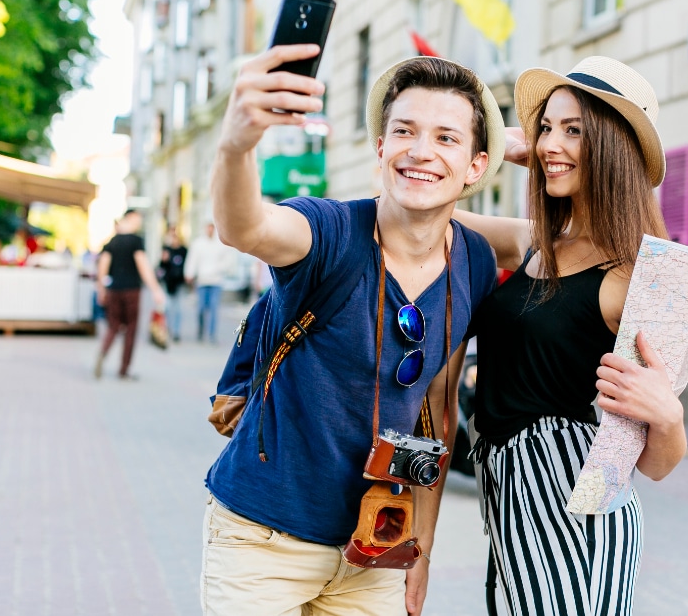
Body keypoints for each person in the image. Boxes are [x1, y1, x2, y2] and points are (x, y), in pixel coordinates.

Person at [200, 46, 505, 616]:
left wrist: (424, 548)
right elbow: (246, 226)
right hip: (263, 541)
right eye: (405, 131)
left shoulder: (474, 263)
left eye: (446, 138)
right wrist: (237, 142)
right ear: (381, 147)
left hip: (375, 548)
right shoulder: (330, 232)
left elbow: (437, 412)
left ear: (476, 166)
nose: (421, 151)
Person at [454, 56, 687, 615]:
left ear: (612, 146)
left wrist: (669, 415)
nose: (551, 143)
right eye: (546, 128)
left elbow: (656, 463)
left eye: (574, 130)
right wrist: (494, 156)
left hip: (575, 500)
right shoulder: (536, 243)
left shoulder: (636, 277)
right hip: (508, 492)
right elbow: (420, 211)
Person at [93, 209, 166, 380]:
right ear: (130, 218)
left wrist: (101, 289)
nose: (139, 223)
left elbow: (102, 266)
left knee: (113, 326)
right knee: (131, 329)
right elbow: (143, 266)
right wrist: (155, 289)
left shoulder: (112, 242)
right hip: (132, 290)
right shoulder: (135, 241)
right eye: (138, 219)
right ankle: (124, 369)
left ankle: (103, 353)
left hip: (114, 289)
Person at [184, 222, 234, 343]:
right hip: (202, 281)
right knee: (201, 308)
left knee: (213, 308)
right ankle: (201, 330)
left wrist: (219, 269)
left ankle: (212, 334)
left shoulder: (220, 244)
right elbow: (192, 259)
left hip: (216, 281)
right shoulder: (199, 244)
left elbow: (228, 260)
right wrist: (189, 273)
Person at [158, 226, 188, 342]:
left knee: (178, 308)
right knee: (168, 307)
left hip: (179, 282)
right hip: (168, 283)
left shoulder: (183, 250)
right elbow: (161, 267)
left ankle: (176, 331)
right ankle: (167, 328)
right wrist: (163, 260)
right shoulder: (166, 250)